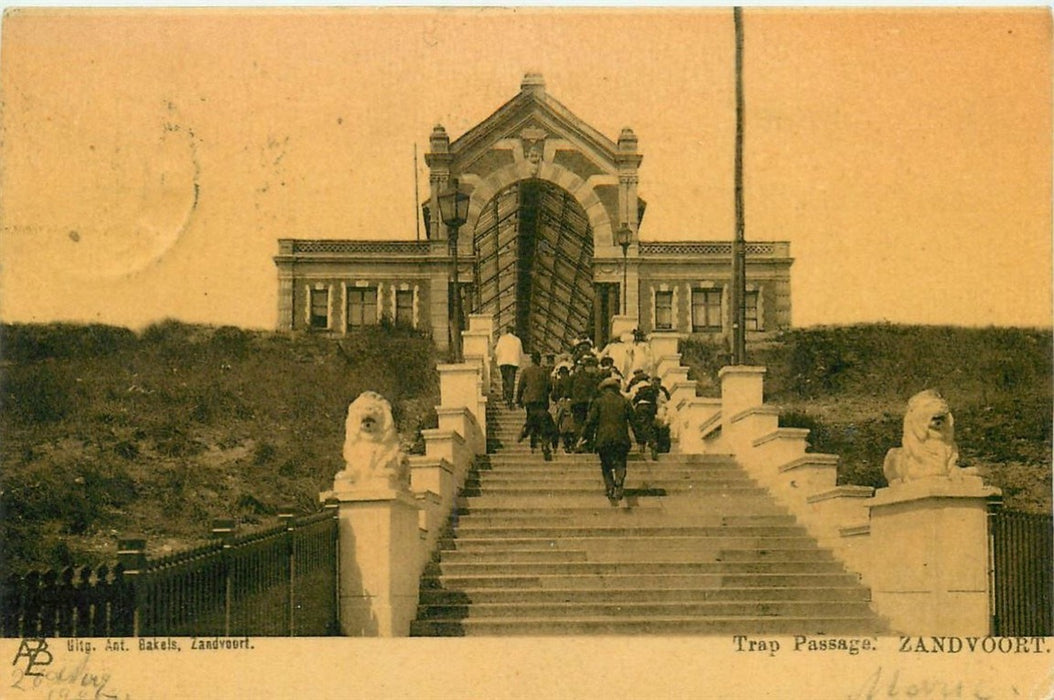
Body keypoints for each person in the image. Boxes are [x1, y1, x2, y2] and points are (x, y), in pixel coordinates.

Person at [581, 376, 637, 502]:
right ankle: (619, 483)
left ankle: (610, 487)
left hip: (603, 438)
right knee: (620, 462)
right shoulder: (624, 402)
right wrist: (641, 439)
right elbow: (634, 421)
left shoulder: (598, 402)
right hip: (621, 438)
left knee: (606, 465)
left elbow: (591, 421)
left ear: (604, 389)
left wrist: (584, 436)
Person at [516, 351, 553, 460]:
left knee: (531, 418)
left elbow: (520, 386)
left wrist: (518, 399)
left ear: (532, 360)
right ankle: (545, 445)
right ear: (539, 360)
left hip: (530, 401)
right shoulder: (544, 372)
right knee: (544, 423)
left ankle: (527, 432)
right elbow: (550, 386)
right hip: (542, 401)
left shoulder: (526, 371)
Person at [631, 374, 671, 460]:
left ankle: (649, 444)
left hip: (641, 408)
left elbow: (634, 399)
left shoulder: (642, 389)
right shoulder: (660, 391)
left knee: (642, 427)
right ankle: (649, 445)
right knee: (648, 426)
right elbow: (664, 402)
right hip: (652, 409)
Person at [494, 325, 523, 409]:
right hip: (513, 363)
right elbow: (521, 353)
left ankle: (505, 397)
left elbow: (496, 352)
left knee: (504, 379)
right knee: (511, 381)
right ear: (513, 331)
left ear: (506, 331)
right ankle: (509, 400)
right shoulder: (517, 340)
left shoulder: (501, 339)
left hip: (503, 363)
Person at [550, 363, 576, 453]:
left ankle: (562, 442)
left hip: (561, 402)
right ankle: (570, 442)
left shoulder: (558, 382)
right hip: (570, 402)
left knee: (560, 421)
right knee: (569, 420)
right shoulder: (571, 380)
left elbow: (554, 394)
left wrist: (555, 399)